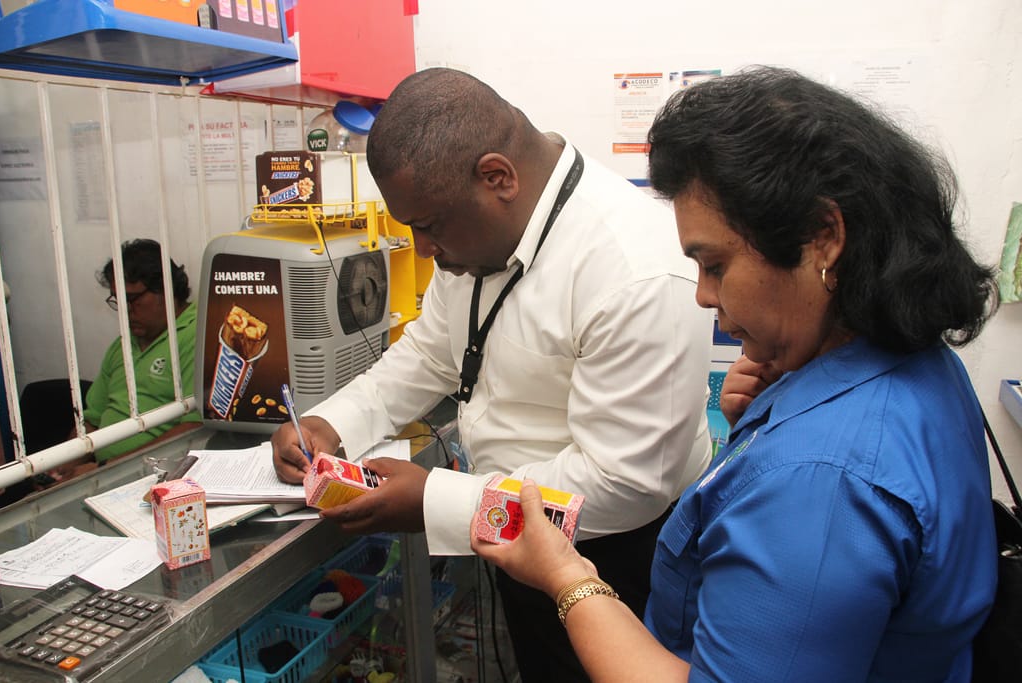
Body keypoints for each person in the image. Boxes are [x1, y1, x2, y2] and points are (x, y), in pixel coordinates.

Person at [472, 65, 999, 682]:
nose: (702, 295)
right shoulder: (914, 361)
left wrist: (567, 576)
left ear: (822, 238)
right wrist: (769, 422)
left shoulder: (819, 482)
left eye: (715, 264)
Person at [271, 67, 714, 680]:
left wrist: (436, 501)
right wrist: (332, 420)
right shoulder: (473, 233)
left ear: (497, 177)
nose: (423, 250)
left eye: (427, 226)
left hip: (611, 554)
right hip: (510, 525)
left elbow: (625, 483)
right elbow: (431, 352)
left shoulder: (633, 270)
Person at [52, 239, 202, 482]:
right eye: (117, 301)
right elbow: (92, 419)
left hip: (156, 475)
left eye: (132, 300)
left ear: (166, 291)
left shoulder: (196, 335)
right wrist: (57, 467)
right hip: (100, 473)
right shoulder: (124, 343)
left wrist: (105, 467)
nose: (125, 311)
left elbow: (194, 429)